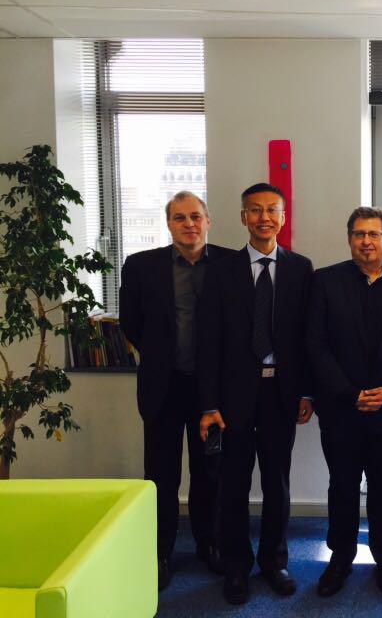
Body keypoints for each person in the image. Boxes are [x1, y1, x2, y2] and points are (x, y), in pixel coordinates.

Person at [197, 183, 314, 605]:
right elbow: (208, 341)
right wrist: (209, 403)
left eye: (272, 210)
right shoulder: (221, 270)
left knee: (277, 483)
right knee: (233, 484)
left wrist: (307, 392)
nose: (265, 217)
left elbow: (307, 338)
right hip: (234, 398)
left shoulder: (301, 268)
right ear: (243, 217)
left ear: (283, 217)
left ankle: (274, 561)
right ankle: (236, 567)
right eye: (256, 210)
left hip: (281, 392)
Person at [120, 191, 234, 590]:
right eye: (180, 217)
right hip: (163, 387)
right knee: (161, 474)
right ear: (168, 224)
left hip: (212, 392)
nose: (189, 224)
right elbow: (132, 324)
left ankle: (209, 542)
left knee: (210, 471)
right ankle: (160, 551)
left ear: (208, 221)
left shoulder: (230, 264)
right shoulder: (140, 266)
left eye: (196, 216)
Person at [306, 207, 382, 598]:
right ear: (349, 239)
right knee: (342, 486)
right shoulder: (325, 281)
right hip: (341, 409)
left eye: (374, 234)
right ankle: (340, 559)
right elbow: (315, 346)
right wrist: (350, 393)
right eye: (359, 234)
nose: (366, 241)